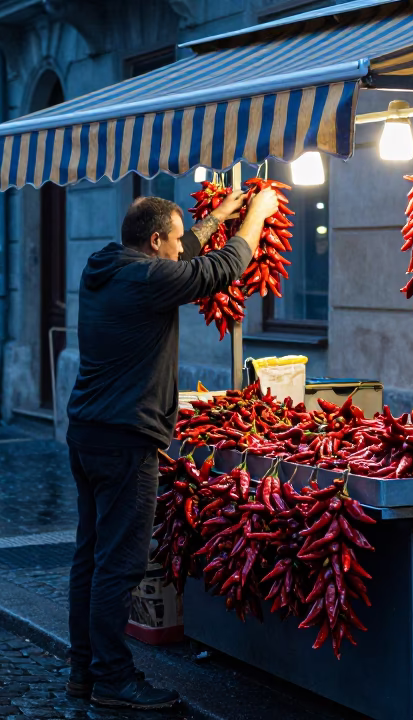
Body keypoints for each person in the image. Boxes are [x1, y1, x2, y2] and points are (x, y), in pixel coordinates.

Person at [64, 187, 279, 710]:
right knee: (120, 565)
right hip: (125, 437)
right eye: (177, 239)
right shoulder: (144, 280)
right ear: (156, 241)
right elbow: (217, 272)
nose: (183, 246)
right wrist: (253, 218)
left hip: (89, 431)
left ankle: (84, 672)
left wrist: (212, 220)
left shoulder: (109, 267)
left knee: (90, 558)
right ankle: (114, 680)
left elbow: (186, 256)